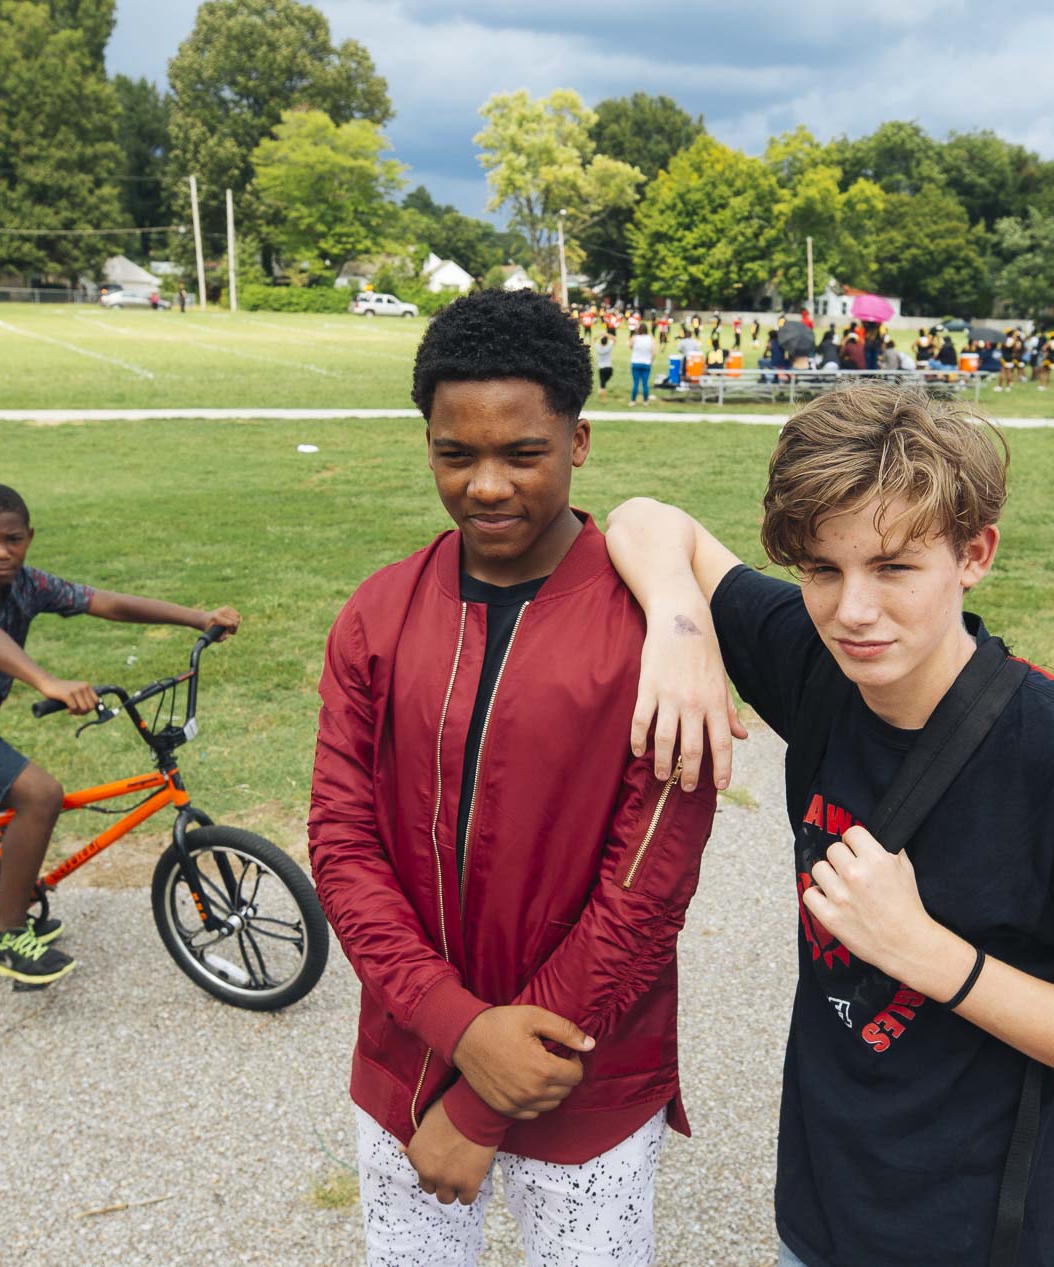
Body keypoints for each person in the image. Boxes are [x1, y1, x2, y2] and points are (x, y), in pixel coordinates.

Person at [603, 381, 1054, 1267]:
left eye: (893, 567)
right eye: (821, 569)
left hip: (982, 1235)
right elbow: (648, 520)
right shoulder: (820, 670)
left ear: (975, 554)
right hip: (821, 1212)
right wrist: (681, 631)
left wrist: (924, 951)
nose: (853, 611)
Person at [307, 287, 718, 1266]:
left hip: (590, 1083)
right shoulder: (378, 613)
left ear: (578, 442)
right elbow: (340, 838)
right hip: (405, 1060)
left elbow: (645, 894)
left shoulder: (656, 633)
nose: (487, 485)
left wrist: (495, 1089)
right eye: (457, 454)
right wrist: (456, 1027)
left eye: (521, 453)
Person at [0, 483, 239, 987]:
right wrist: (47, 681)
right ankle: (5, 934)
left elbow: (105, 602)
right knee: (40, 795)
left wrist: (200, 617)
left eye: (13, 539)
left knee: (10, 812)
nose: (1, 552)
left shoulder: (26, 583)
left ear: (29, 537)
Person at [630, 321, 655, 405]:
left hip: (636, 362)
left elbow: (630, 346)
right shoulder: (651, 338)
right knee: (645, 383)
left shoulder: (635, 338)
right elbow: (654, 352)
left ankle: (633, 401)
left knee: (635, 383)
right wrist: (651, 360)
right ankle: (645, 401)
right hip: (646, 363)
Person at [595, 333, 614, 400]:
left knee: (603, 384)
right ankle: (602, 393)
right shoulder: (609, 346)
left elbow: (594, 339)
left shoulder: (598, 347)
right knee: (605, 380)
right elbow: (614, 339)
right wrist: (607, 334)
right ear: (607, 341)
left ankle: (603, 399)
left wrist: (600, 335)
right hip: (609, 367)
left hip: (601, 368)